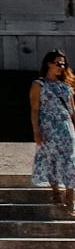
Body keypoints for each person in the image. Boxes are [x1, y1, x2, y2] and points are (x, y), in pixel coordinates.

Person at [31, 50, 74, 218]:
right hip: (48, 127)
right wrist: (36, 131)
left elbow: (73, 110)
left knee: (70, 160)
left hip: (65, 127)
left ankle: (70, 197)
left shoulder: (66, 86)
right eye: (58, 63)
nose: (61, 67)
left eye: (64, 64)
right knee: (50, 159)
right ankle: (56, 191)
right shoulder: (39, 85)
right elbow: (35, 109)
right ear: (49, 64)